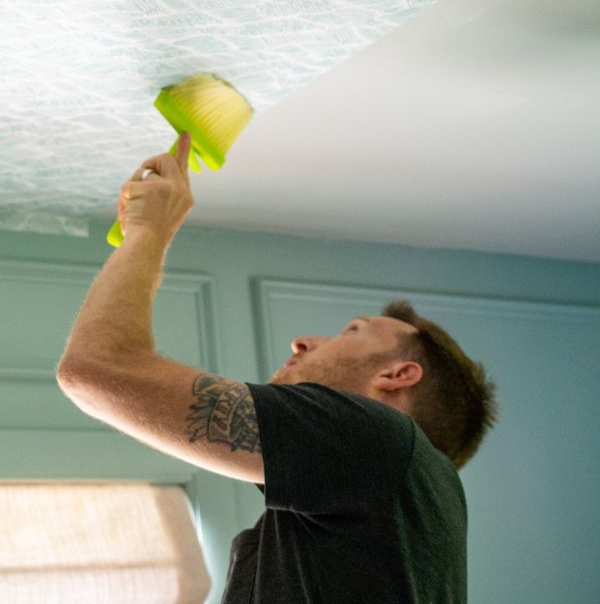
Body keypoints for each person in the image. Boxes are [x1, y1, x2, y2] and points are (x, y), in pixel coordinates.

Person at [57, 133, 498, 603]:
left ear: (397, 376)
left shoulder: (376, 447)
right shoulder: (396, 477)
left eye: (351, 330)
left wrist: (150, 231)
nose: (303, 341)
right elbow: (98, 369)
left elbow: (100, 368)